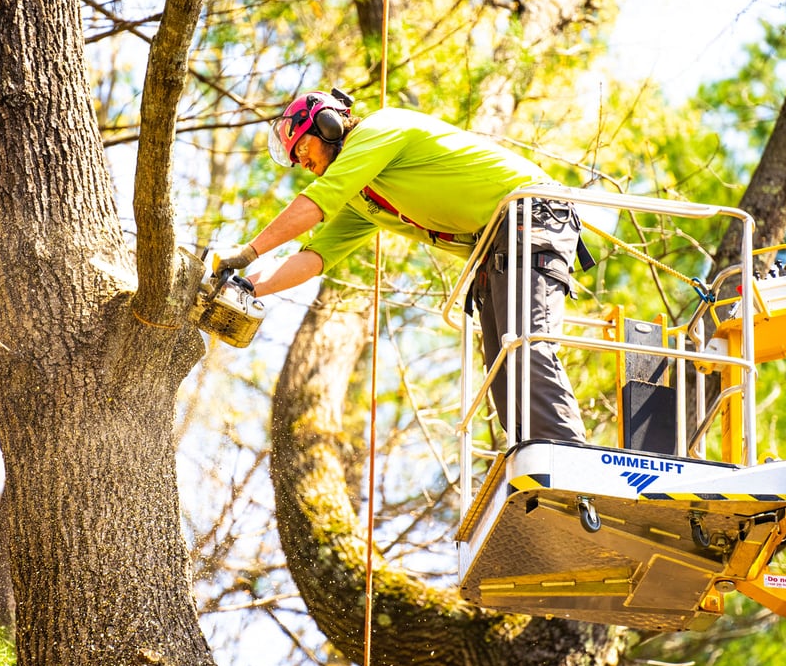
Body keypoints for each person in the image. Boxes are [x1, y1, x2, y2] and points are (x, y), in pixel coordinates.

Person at [214, 89, 588, 444]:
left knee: (525, 348)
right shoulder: (363, 196)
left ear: (327, 126)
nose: (302, 162)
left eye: (302, 148)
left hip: (532, 215)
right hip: (494, 245)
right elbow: (314, 257)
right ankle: (537, 469)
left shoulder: (381, 129)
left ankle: (570, 459)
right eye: (295, 159)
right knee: (503, 377)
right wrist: (245, 287)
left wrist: (248, 251)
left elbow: (315, 204)